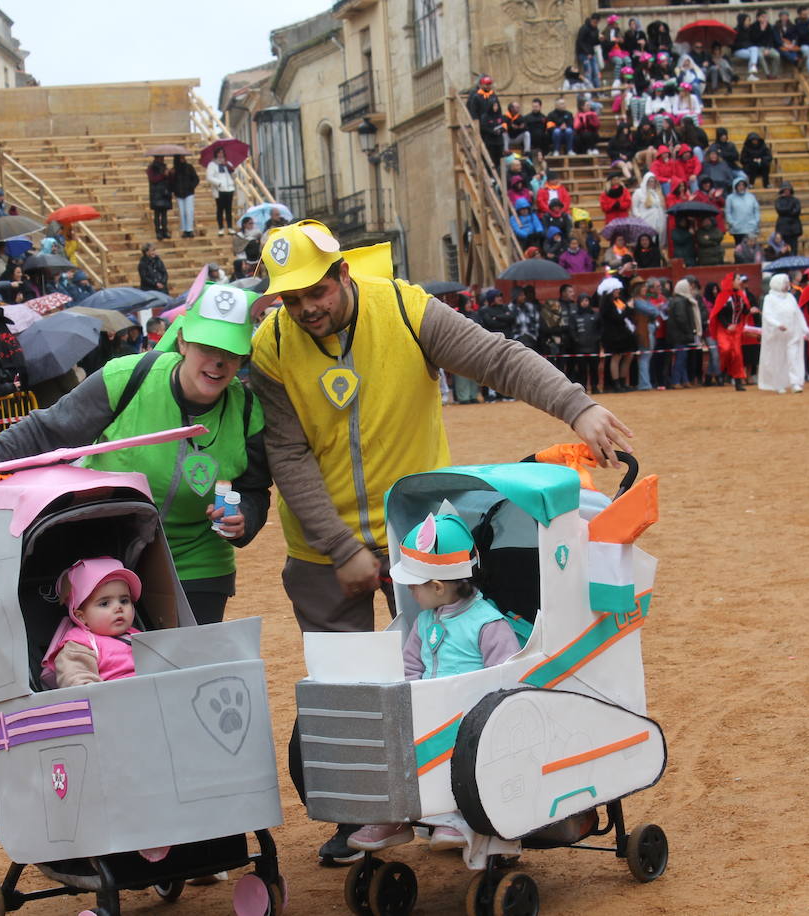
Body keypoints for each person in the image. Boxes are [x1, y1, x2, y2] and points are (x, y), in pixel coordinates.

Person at [251, 220, 630, 860]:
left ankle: (462, 795)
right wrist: (341, 546)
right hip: (323, 546)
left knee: (447, 666)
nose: (306, 309)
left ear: (343, 273)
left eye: (316, 290)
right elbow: (288, 457)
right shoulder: (270, 348)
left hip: (422, 533)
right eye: (290, 299)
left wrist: (576, 406)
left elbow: (496, 357)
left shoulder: (404, 308)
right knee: (353, 683)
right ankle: (370, 810)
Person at [0, 284, 270, 625]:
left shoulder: (247, 410)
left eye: (231, 352)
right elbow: (46, 430)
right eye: (207, 347)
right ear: (183, 342)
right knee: (110, 669)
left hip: (198, 561)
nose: (218, 362)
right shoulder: (127, 378)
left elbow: (254, 488)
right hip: (108, 553)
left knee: (189, 667)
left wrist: (243, 518)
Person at [346, 512, 519, 854]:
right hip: (430, 711)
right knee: (391, 739)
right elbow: (410, 665)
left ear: (438, 587)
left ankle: (457, 818)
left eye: (414, 584)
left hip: (471, 722)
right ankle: (393, 815)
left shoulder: (488, 623)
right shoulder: (426, 620)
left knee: (453, 753)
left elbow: (506, 677)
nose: (409, 591)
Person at [43, 558, 143, 688]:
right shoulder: (80, 643)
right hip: (112, 698)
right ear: (81, 616)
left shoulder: (137, 635)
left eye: (124, 601)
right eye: (105, 603)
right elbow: (76, 678)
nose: (119, 608)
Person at [758, 273, 809, 393]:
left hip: (792, 334)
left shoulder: (790, 297)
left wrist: (805, 328)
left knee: (793, 358)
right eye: (785, 282)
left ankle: (795, 383)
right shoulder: (769, 298)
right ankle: (778, 384)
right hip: (777, 336)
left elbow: (798, 314)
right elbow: (767, 315)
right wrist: (777, 324)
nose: (787, 285)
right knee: (778, 359)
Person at [709, 271, 757, 390]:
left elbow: (744, 311)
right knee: (725, 350)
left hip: (736, 329)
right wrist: (726, 325)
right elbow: (718, 313)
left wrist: (750, 310)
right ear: (731, 281)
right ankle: (723, 371)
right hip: (724, 329)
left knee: (737, 355)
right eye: (737, 279)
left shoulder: (741, 295)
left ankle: (738, 381)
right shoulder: (722, 296)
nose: (739, 282)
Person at [206, 147, 236, 236]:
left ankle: (230, 227)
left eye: (222, 153)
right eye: (219, 153)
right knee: (220, 209)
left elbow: (234, 176)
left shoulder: (228, 163)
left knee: (229, 209)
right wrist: (218, 183)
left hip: (229, 188)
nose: (220, 155)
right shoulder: (212, 164)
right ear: (216, 154)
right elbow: (209, 177)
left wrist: (229, 167)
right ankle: (221, 228)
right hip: (219, 189)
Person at [170, 154, 199, 239]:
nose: (182, 159)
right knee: (182, 212)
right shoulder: (174, 169)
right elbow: (171, 182)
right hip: (179, 193)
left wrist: (191, 186)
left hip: (189, 192)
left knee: (188, 211)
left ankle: (189, 229)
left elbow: (196, 179)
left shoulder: (189, 167)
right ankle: (184, 230)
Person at [147, 155, 173, 240]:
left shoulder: (164, 167)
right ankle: (158, 231)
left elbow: (168, 180)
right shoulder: (151, 168)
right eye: (161, 158)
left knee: (164, 214)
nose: (162, 159)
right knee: (157, 214)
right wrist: (164, 175)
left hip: (164, 193)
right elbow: (153, 179)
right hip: (156, 194)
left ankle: (164, 231)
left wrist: (170, 174)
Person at [575, 12, 603, 87]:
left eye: (597, 23)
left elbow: (594, 42)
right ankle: (589, 90)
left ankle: (597, 90)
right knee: (588, 72)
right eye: (594, 22)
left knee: (596, 72)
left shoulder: (596, 29)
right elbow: (580, 41)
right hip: (584, 53)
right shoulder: (584, 28)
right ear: (591, 20)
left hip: (591, 53)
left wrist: (600, 40)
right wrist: (587, 53)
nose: (595, 24)